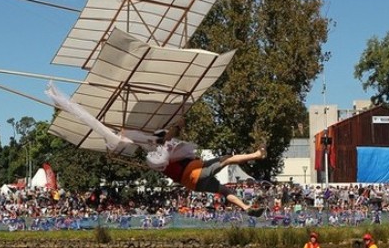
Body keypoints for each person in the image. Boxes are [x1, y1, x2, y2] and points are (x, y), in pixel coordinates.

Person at [45, 82, 267, 217]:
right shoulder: (160, 150)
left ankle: (247, 208)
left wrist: (177, 125)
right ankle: (257, 155)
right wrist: (177, 124)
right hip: (194, 173)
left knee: (225, 191)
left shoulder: (159, 159)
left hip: (191, 183)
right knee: (226, 159)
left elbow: (167, 140)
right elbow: (166, 138)